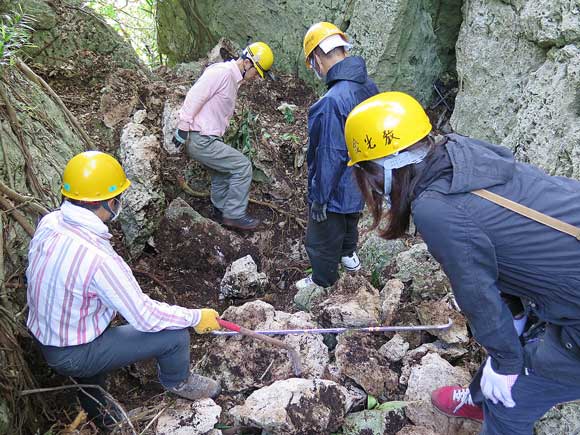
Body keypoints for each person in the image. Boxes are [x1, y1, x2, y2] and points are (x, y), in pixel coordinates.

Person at [344, 91, 580, 434]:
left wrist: (507, 363)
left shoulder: (435, 208)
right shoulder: (462, 151)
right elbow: (501, 244)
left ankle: (491, 406)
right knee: (511, 339)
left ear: (382, 170)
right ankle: (477, 395)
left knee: (509, 407)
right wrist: (513, 314)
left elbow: (475, 290)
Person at [27, 151, 222, 431]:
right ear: (108, 202)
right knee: (175, 336)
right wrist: (195, 316)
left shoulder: (51, 221)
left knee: (91, 371)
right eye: (118, 197)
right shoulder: (99, 259)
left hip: (46, 336)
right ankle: (178, 381)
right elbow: (145, 316)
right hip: (75, 351)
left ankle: (104, 417)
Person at [295, 22, 379, 293]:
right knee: (350, 221)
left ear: (317, 58)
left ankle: (323, 282)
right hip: (362, 178)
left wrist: (319, 197)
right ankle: (349, 257)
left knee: (320, 238)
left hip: (336, 187)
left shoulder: (331, 101)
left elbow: (329, 154)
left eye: (312, 64)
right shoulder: (367, 85)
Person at [173, 42, 275, 231]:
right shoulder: (222, 73)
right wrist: (183, 126)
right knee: (242, 166)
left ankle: (220, 212)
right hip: (200, 138)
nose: (256, 78)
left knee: (222, 172)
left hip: (208, 138)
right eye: (256, 73)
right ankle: (235, 215)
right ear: (247, 63)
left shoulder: (233, 79)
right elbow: (196, 95)